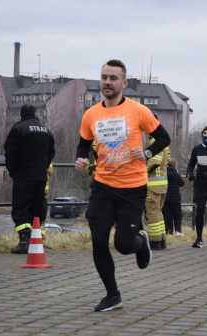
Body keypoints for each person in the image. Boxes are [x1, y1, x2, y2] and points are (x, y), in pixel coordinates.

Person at [75, 59, 170, 312]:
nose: (107, 82)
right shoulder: (91, 114)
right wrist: (81, 158)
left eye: (113, 78)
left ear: (124, 83)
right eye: (104, 77)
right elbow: (84, 142)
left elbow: (163, 138)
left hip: (132, 187)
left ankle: (140, 242)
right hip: (103, 186)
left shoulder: (138, 111)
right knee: (98, 240)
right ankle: (112, 294)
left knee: (123, 245)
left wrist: (147, 154)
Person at [4, 105, 55, 254]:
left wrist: (14, 171)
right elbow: (51, 153)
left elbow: (10, 152)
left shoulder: (18, 129)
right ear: (35, 114)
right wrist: (43, 168)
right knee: (37, 207)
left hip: (23, 176)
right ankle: (37, 240)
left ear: (22, 114)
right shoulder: (46, 130)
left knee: (21, 208)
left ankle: (25, 241)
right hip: (41, 177)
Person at [145, 136, 170, 250]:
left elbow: (154, 163)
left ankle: (155, 242)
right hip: (161, 184)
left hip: (153, 184)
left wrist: (142, 171)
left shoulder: (155, 141)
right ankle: (161, 239)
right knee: (158, 212)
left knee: (152, 213)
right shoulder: (164, 143)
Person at [163, 159, 185, 236]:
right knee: (177, 215)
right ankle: (178, 231)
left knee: (167, 215)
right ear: (174, 165)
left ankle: (169, 231)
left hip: (166, 198)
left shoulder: (164, 174)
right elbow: (182, 183)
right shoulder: (175, 173)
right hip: (175, 198)